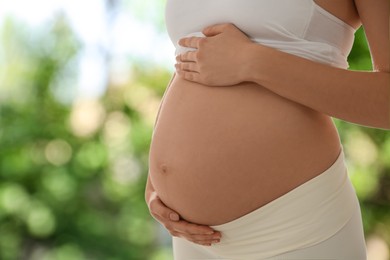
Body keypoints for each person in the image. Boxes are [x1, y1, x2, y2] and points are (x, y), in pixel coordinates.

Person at [145, 0, 389, 259]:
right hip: (193, 240)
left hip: (295, 227)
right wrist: (157, 182)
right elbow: (193, 59)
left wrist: (252, 61)